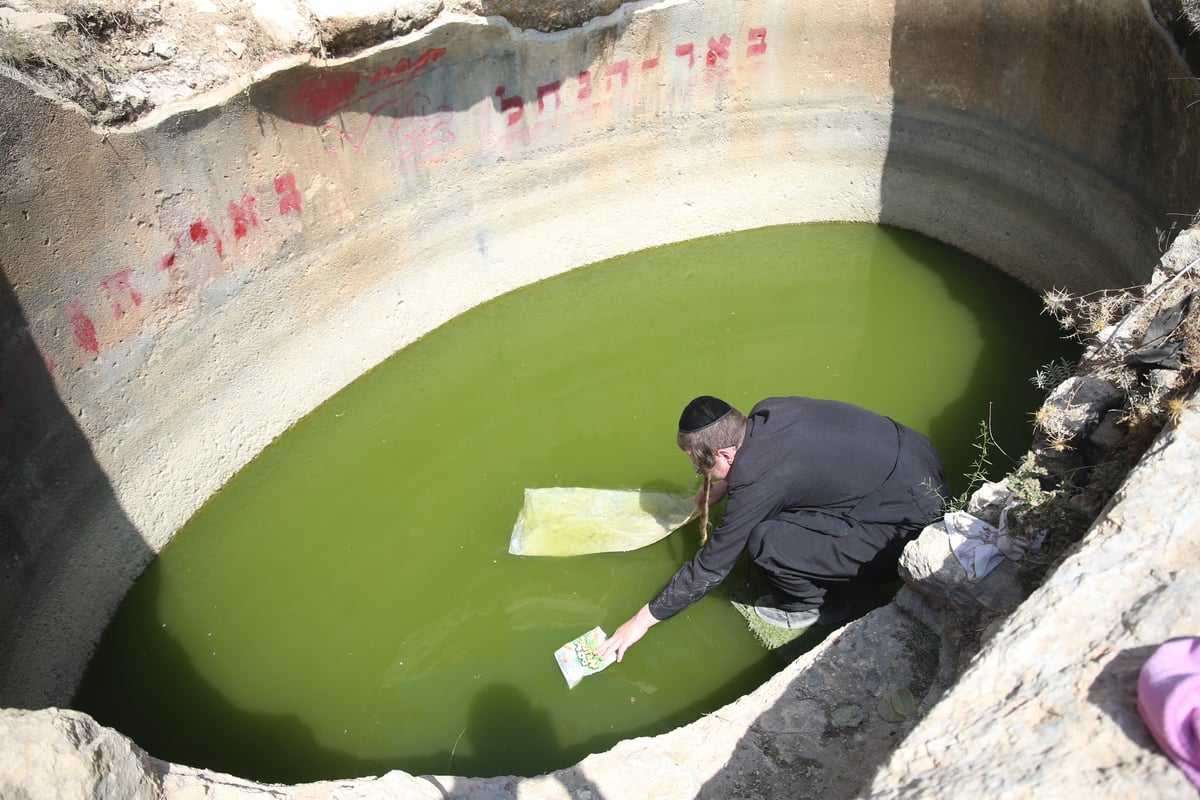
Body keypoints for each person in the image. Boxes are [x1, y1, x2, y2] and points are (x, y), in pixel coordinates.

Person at [597, 395, 948, 663]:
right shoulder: (767, 412)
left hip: (905, 526)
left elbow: (710, 567)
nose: (695, 468)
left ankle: (816, 606)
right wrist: (724, 485)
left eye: (698, 462)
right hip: (918, 460)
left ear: (725, 454)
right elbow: (785, 463)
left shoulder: (756, 481)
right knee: (790, 503)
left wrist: (641, 622)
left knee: (767, 542)